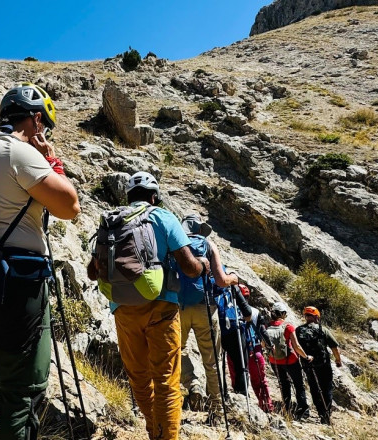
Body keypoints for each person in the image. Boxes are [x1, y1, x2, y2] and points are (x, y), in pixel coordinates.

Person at [0, 83, 80, 439]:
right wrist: (51, 159)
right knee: (24, 391)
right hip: (18, 282)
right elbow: (69, 207)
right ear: (37, 120)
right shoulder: (18, 152)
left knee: (8, 382)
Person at [87, 173, 209, 440]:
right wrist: (203, 265)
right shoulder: (163, 216)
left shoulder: (112, 219)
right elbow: (189, 267)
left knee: (139, 378)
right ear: (154, 196)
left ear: (128, 197)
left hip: (122, 308)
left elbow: (92, 272)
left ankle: (154, 429)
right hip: (161, 306)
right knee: (166, 380)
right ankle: (164, 435)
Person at [175, 214, 241, 424]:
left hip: (180, 307)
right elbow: (221, 281)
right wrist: (234, 278)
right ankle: (217, 412)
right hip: (205, 307)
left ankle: (191, 383)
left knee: (177, 351)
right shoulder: (208, 245)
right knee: (212, 362)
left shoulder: (177, 242)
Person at [230, 285, 274, 413]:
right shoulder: (255, 311)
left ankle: (241, 403)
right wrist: (270, 345)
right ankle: (266, 406)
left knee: (237, 377)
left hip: (235, 350)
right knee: (260, 380)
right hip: (254, 350)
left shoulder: (230, 311)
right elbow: (262, 331)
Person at [265, 302, 313, 419]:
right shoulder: (288, 327)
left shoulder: (267, 326)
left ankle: (287, 407)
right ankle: (303, 410)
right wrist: (306, 357)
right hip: (291, 360)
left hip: (274, 360)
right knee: (298, 385)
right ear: (283, 313)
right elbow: (296, 346)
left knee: (283, 384)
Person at [296, 306, 342, 424]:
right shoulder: (323, 330)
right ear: (317, 317)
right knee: (326, 388)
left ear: (306, 316)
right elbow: (334, 347)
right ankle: (326, 415)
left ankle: (321, 412)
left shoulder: (298, 330)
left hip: (308, 365)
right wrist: (338, 360)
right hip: (323, 364)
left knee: (314, 388)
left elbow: (296, 347)